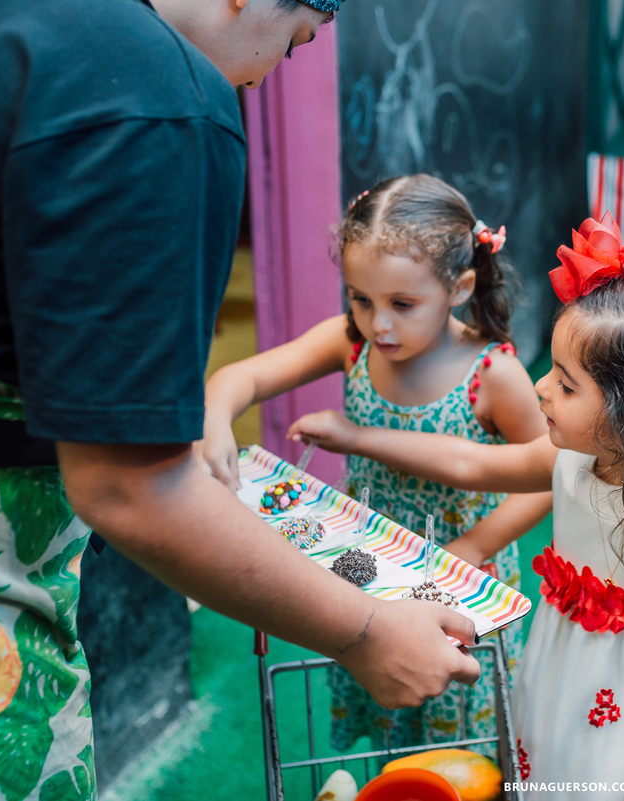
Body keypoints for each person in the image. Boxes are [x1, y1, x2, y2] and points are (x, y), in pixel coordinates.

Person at [0, 1, 479, 795]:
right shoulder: (165, 94)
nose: (266, 75)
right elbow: (131, 484)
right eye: (293, 41)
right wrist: (365, 629)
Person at [288, 213, 624, 800]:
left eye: (565, 383)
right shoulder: (569, 458)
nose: (540, 388)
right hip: (569, 677)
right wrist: (357, 437)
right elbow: (469, 464)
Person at [202, 173, 551, 756]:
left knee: (459, 741)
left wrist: (475, 545)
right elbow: (244, 376)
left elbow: (546, 477)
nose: (378, 323)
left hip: (456, 580)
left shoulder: (492, 373)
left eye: (402, 304)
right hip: (372, 574)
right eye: (360, 299)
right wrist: (216, 414)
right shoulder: (353, 343)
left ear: (460, 287)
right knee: (387, 712)